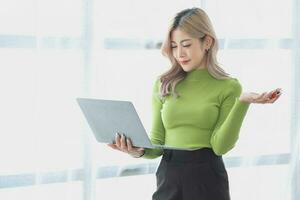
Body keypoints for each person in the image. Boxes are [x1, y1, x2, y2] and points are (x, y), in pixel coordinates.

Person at [107, 7, 282, 200]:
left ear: (207, 42)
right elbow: (157, 144)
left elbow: (220, 147)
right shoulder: (163, 84)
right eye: (174, 46)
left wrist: (242, 102)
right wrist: (136, 151)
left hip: (207, 177)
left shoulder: (229, 87)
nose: (179, 53)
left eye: (186, 44)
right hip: (169, 175)